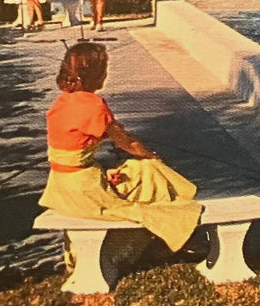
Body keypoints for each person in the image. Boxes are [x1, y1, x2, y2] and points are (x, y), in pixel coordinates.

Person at [38, 42, 201, 255]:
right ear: (96, 74)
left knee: (132, 173)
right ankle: (183, 233)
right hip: (84, 193)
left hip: (60, 189)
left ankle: (175, 235)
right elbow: (127, 142)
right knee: (148, 168)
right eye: (104, 69)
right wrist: (151, 154)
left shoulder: (61, 102)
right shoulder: (94, 105)